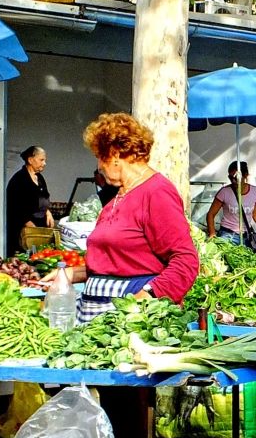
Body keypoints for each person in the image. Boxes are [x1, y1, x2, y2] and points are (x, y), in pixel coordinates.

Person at [56, 112, 199, 322]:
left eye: (98, 157)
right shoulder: (117, 197)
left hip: (131, 320)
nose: (99, 166)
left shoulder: (156, 192)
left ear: (114, 154)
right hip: (98, 316)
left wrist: (146, 299)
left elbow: (186, 261)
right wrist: (71, 274)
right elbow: (120, 261)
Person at [205, 161, 256, 248]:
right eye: (230, 177)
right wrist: (212, 233)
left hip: (246, 236)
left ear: (245, 175)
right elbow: (211, 214)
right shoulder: (224, 192)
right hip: (227, 234)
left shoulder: (255, 192)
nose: (233, 181)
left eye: (236, 177)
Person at [6, 145, 53, 256]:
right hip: (23, 228)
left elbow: (45, 196)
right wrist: (27, 222)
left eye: (45, 160)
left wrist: (47, 211)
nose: (44, 163)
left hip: (39, 225)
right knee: (24, 255)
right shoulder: (19, 179)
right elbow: (14, 205)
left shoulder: (40, 178)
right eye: (41, 160)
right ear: (30, 160)